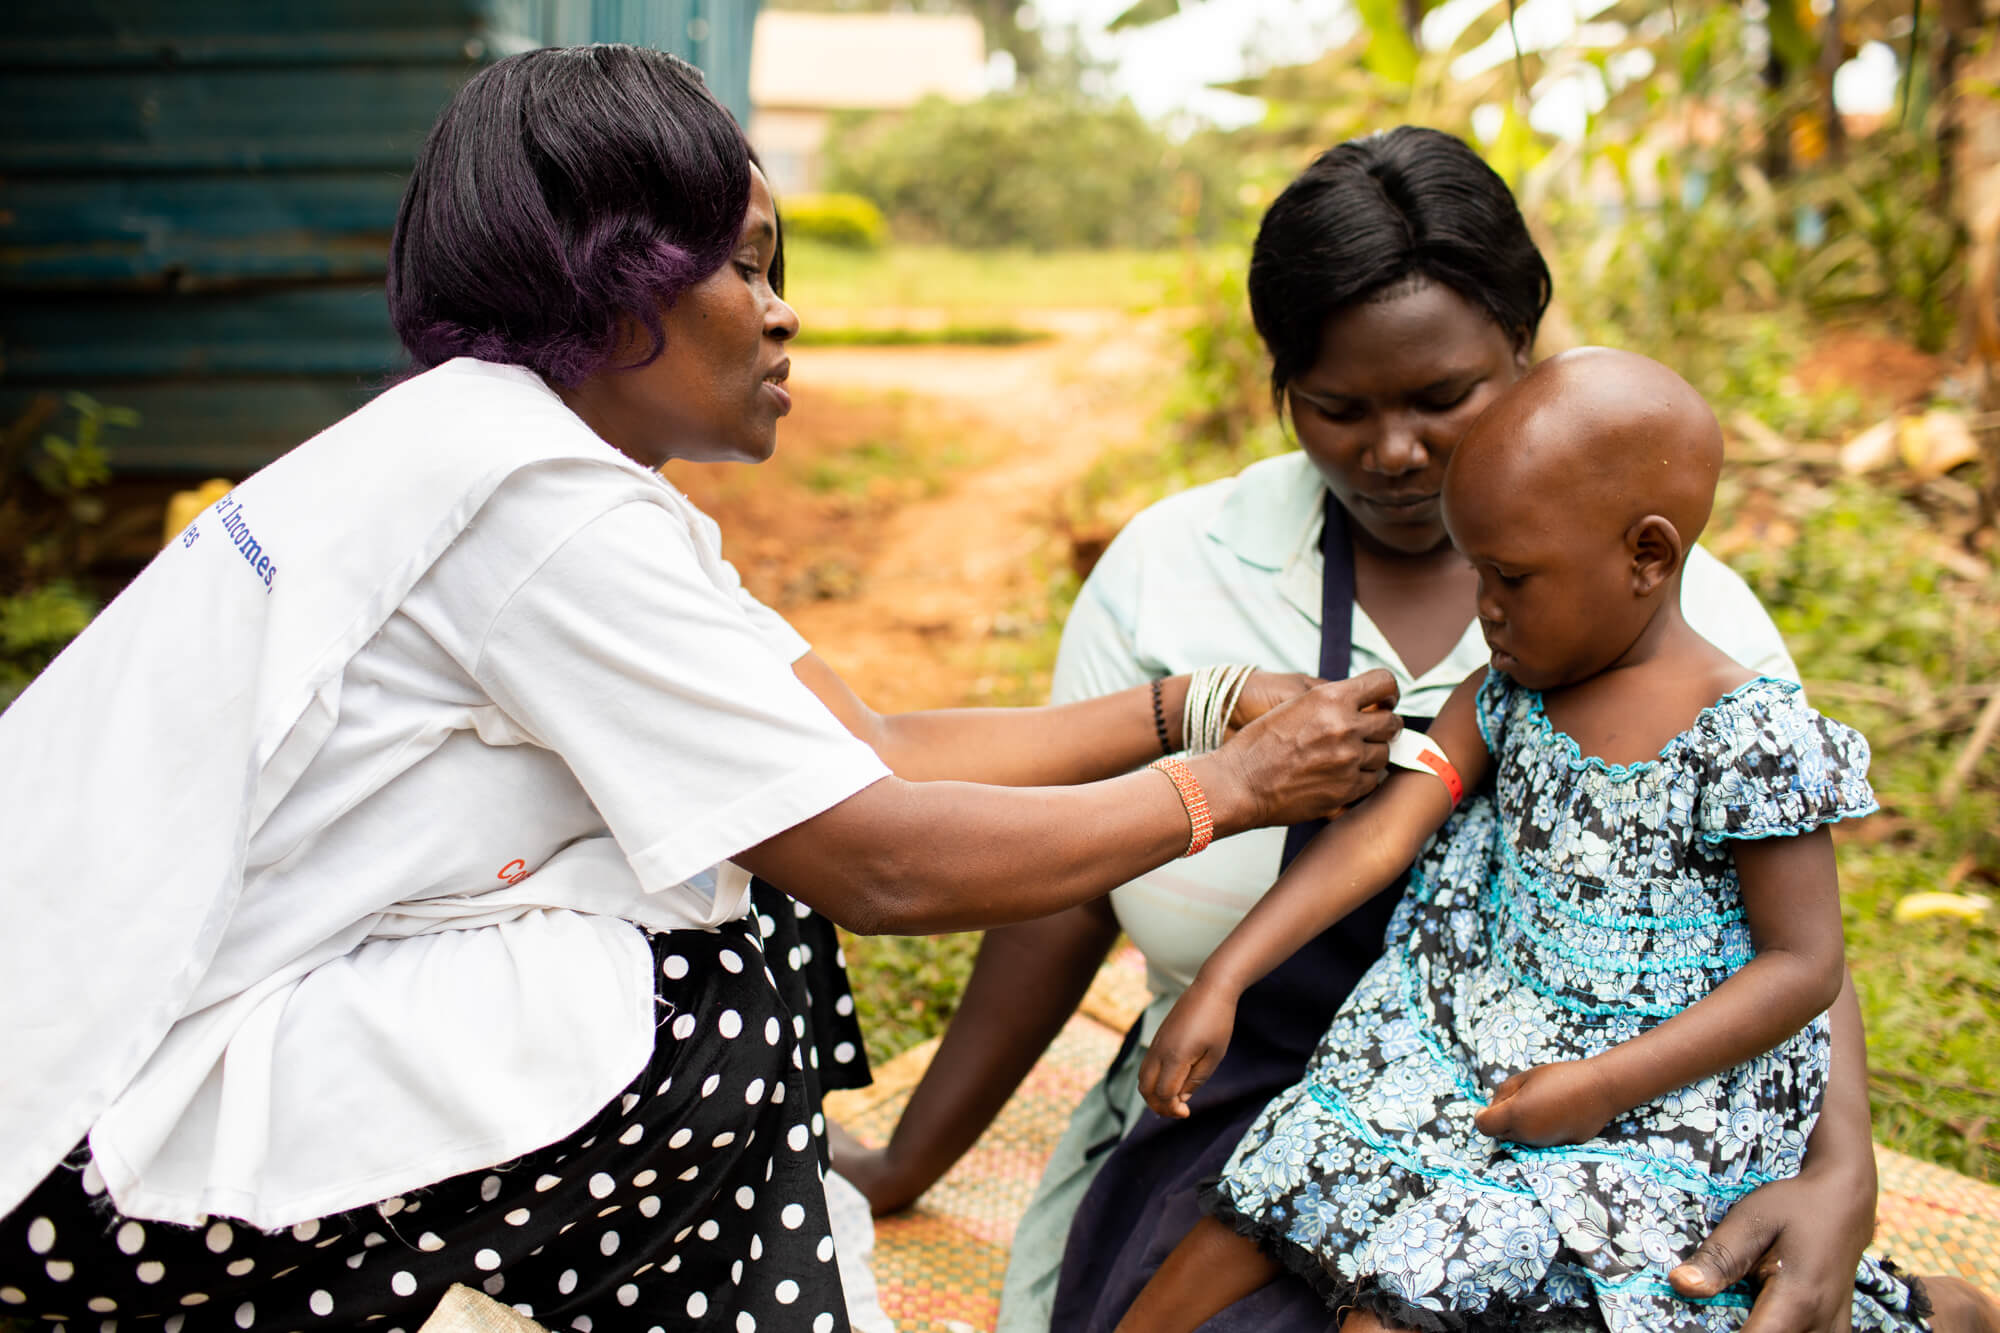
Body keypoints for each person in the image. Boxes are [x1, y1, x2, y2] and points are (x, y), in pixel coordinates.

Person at [0, 47, 1406, 1333]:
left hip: (111, 1042)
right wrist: (1229, 792)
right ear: (616, 279)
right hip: (78, 1141)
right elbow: (881, 862)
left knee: (731, 895)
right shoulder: (537, 510)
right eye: (745, 266)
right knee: (722, 980)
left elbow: (864, 744)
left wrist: (1199, 707)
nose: (784, 315)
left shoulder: (498, 452)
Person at [836, 126, 1998, 1333]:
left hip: (1589, 1107)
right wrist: (910, 1163)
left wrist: (1838, 1173)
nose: (1392, 454)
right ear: (1280, 387)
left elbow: (1789, 940)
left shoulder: (1691, 630)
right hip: (1276, 1097)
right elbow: (1064, 891)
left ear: (1525, 354)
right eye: (1336, 407)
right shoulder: (1176, 576)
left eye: (1445, 399)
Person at [1116, 347, 1929, 1333]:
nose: (1483, 608)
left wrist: (1599, 1085)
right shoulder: (1502, 695)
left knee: (1405, 1300)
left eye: (1510, 577)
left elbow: (1802, 965)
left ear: (1646, 555)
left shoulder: (1748, 736)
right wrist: (1225, 976)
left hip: (1653, 1084)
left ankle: (1930, 1316)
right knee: (1259, 1199)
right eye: (1475, 571)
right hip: (1461, 1030)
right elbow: (1380, 837)